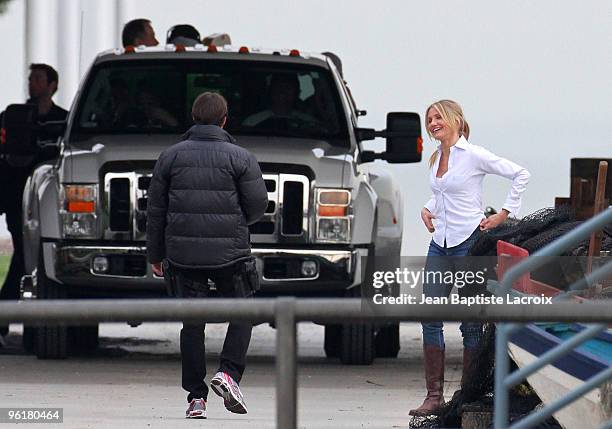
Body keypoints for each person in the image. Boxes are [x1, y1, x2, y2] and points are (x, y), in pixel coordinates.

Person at [146, 92, 268, 419]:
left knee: (192, 323)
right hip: (231, 253)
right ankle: (228, 373)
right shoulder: (241, 157)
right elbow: (258, 206)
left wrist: (155, 254)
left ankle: (195, 398)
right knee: (244, 309)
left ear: (194, 118)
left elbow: (155, 211)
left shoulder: (169, 157)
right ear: (225, 120)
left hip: (182, 255)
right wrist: (235, 219)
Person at [409, 99, 530, 416]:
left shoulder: (474, 155)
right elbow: (443, 194)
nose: (433, 123)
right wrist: (428, 208)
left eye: (438, 117)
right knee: (430, 316)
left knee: (471, 324)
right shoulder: (436, 157)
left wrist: (505, 214)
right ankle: (433, 396)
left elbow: (520, 174)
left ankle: (468, 396)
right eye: (429, 119)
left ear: (455, 120)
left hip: (468, 244)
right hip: (439, 244)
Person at [0, 63, 68, 339]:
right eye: (31, 78)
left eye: (38, 78)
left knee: (32, 259)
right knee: (23, 255)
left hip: (47, 200)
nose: (32, 83)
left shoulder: (63, 119)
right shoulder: (13, 115)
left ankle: (18, 321)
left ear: (53, 84)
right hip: (17, 194)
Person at [242, 73, 318, 127]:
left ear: (297, 92)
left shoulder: (309, 123)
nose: (283, 92)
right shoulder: (251, 122)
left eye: (288, 88)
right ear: (270, 91)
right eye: (279, 87)